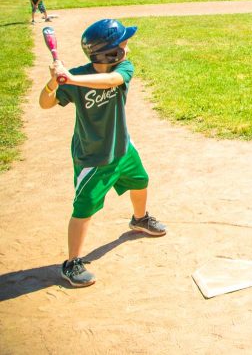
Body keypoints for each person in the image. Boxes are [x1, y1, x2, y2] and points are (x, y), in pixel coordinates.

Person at [39, 19, 166, 287]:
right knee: (84, 209)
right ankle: (72, 263)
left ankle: (139, 219)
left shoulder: (122, 69)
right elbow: (45, 103)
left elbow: (111, 81)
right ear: (110, 51)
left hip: (122, 147)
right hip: (93, 157)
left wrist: (71, 78)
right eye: (123, 43)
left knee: (140, 181)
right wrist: (53, 83)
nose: (127, 46)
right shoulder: (75, 78)